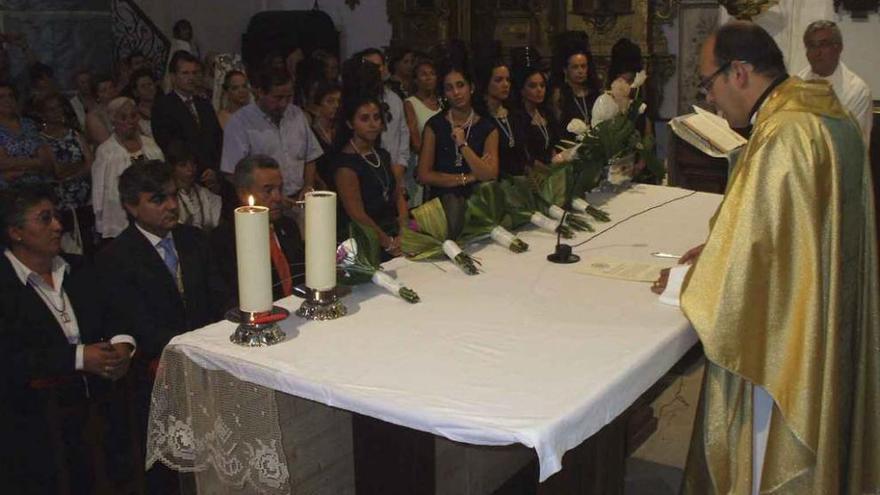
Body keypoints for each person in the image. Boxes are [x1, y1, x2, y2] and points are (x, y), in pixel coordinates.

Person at [652, 21, 880, 494]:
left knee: (765, 453)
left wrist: (687, 282)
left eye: (708, 82)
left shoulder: (784, 132)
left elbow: (749, 268)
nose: (710, 98)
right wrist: (720, 246)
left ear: (739, 72)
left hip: (785, 340)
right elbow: (784, 230)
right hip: (826, 307)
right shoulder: (824, 112)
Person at [98, 160, 226, 494]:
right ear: (131, 206)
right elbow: (133, 322)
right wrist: (192, 347)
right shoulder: (117, 257)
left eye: (172, 195)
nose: (171, 205)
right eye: (157, 200)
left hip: (211, 357)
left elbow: (217, 296)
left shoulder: (193, 239)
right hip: (157, 372)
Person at [0, 183, 136, 494]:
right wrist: (78, 358)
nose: (58, 226)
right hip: (35, 429)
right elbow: (10, 357)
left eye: (57, 216)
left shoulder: (78, 267)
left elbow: (116, 314)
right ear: (16, 232)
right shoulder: (5, 285)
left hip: (99, 416)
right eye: (44, 219)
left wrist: (123, 345)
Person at [211, 155, 304, 304]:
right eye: (268, 191)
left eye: (280, 189)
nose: (277, 197)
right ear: (243, 194)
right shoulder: (225, 239)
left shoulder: (288, 226)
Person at [220, 69, 322, 203]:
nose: (284, 103)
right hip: (263, 204)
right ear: (261, 92)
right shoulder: (240, 123)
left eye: (288, 97)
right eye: (278, 98)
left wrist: (309, 186)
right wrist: (269, 197)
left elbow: (310, 156)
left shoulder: (296, 114)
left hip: (299, 198)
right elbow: (233, 173)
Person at [334, 95, 408, 255]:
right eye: (364, 119)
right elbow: (357, 215)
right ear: (350, 123)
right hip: (366, 240)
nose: (373, 124)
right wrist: (387, 243)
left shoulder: (383, 155)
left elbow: (397, 195)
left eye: (376, 117)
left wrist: (403, 230)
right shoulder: (346, 166)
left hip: (393, 232)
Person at [417, 66, 499, 201]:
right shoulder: (435, 125)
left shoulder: (487, 127)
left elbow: (489, 175)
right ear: (444, 93)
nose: (456, 92)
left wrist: (462, 145)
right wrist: (468, 177)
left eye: (460, 85)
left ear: (471, 87)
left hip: (479, 202)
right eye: (449, 88)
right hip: (442, 202)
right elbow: (424, 175)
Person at [92, 97, 164, 240]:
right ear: (113, 120)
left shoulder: (150, 145)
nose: (130, 121)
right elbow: (99, 190)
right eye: (123, 117)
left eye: (133, 115)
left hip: (153, 208)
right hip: (121, 213)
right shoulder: (106, 151)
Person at [151, 50, 222, 194]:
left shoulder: (204, 104)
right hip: (184, 178)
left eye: (194, 73)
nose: (191, 78)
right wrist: (197, 169)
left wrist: (214, 169)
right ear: (173, 77)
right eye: (185, 73)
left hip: (212, 176)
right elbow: (169, 144)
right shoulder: (163, 106)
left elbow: (218, 139)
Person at [33, 93, 95, 255]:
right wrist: (77, 166)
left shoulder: (74, 134)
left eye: (58, 107)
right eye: (51, 109)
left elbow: (90, 163)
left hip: (85, 199)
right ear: (43, 113)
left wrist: (74, 171)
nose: (56, 112)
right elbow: (57, 171)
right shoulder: (41, 140)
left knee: (90, 243)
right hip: (62, 202)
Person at [797, 20, 873, 146]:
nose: (817, 52)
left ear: (839, 47)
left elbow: (852, 142)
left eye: (823, 45)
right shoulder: (797, 83)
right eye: (811, 45)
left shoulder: (857, 91)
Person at [359, 49, 411, 190]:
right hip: (365, 174)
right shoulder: (356, 101)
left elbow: (403, 134)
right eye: (371, 66)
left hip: (395, 173)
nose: (376, 70)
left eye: (379, 65)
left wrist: (400, 165)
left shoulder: (394, 99)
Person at [479, 59, 529, 177]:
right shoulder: (481, 118)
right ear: (486, 82)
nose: (505, 84)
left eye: (507, 80)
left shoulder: (515, 115)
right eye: (498, 80)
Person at [403, 57, 441, 205]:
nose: (429, 77)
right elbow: (414, 139)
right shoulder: (410, 103)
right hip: (421, 163)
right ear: (416, 79)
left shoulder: (442, 103)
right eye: (423, 74)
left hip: (442, 164)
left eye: (432, 73)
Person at [0, 81, 54, 185]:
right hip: (8, 190)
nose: (7, 100)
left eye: (11, 96)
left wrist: (15, 164)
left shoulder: (28, 124)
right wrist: (34, 163)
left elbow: (45, 160)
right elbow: (2, 163)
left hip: (39, 184)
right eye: (1, 97)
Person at [167, 140, 220, 230]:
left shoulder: (204, 193)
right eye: (183, 165)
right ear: (173, 168)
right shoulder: (169, 198)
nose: (190, 169)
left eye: (193, 164)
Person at [591, 38, 644, 127]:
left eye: (631, 81)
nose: (629, 86)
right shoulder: (604, 102)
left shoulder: (639, 105)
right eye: (624, 81)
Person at [550, 43, 599, 139]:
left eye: (583, 66)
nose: (580, 71)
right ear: (565, 70)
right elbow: (556, 127)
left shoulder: (593, 93)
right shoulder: (560, 94)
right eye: (575, 67)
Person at [516, 64, 559, 170]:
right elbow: (525, 155)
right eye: (533, 86)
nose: (539, 90)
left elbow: (553, 145)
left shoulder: (547, 113)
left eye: (542, 85)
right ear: (522, 90)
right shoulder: (518, 118)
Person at [306, 79, 342, 188]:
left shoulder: (343, 131)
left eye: (339, 101)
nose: (336, 105)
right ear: (318, 104)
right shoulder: (310, 133)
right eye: (330, 101)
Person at [84, 73, 118, 148]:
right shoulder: (93, 116)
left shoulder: (123, 106)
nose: (110, 92)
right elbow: (107, 144)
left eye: (111, 87)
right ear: (97, 95)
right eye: (104, 90)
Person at [126, 68, 158, 138]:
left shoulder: (166, 107)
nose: (148, 88)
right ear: (136, 92)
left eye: (150, 84)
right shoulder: (133, 115)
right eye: (143, 86)